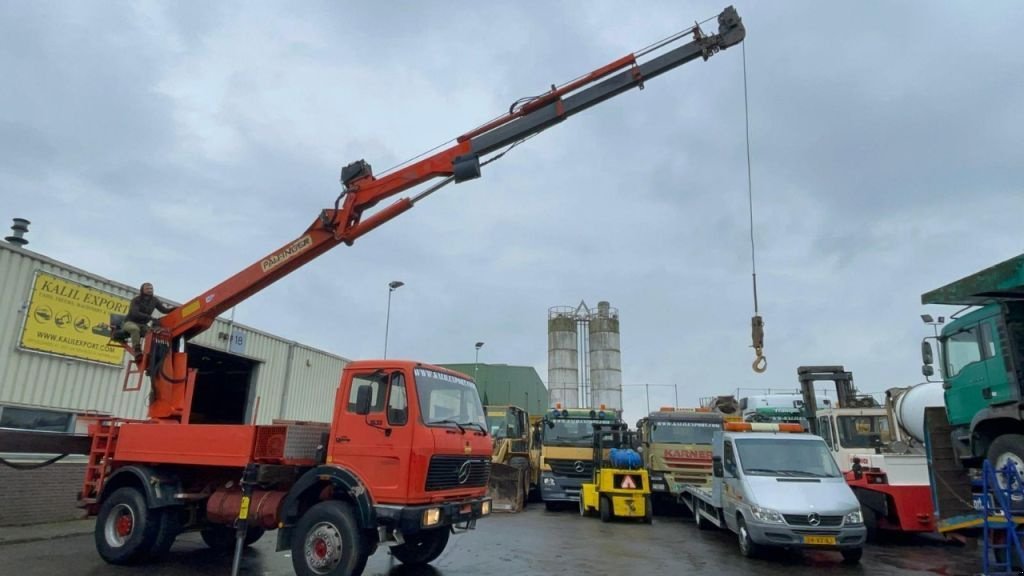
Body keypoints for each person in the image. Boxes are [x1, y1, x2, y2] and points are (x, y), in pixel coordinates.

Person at [122, 282, 176, 359]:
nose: (150, 290)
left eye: (151, 288)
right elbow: (135, 313)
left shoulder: (154, 300)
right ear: (142, 290)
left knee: (153, 333)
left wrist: (174, 309)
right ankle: (137, 350)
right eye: (147, 288)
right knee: (134, 329)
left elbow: (164, 310)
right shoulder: (136, 300)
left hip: (143, 325)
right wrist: (150, 317)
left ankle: (152, 353)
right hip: (130, 322)